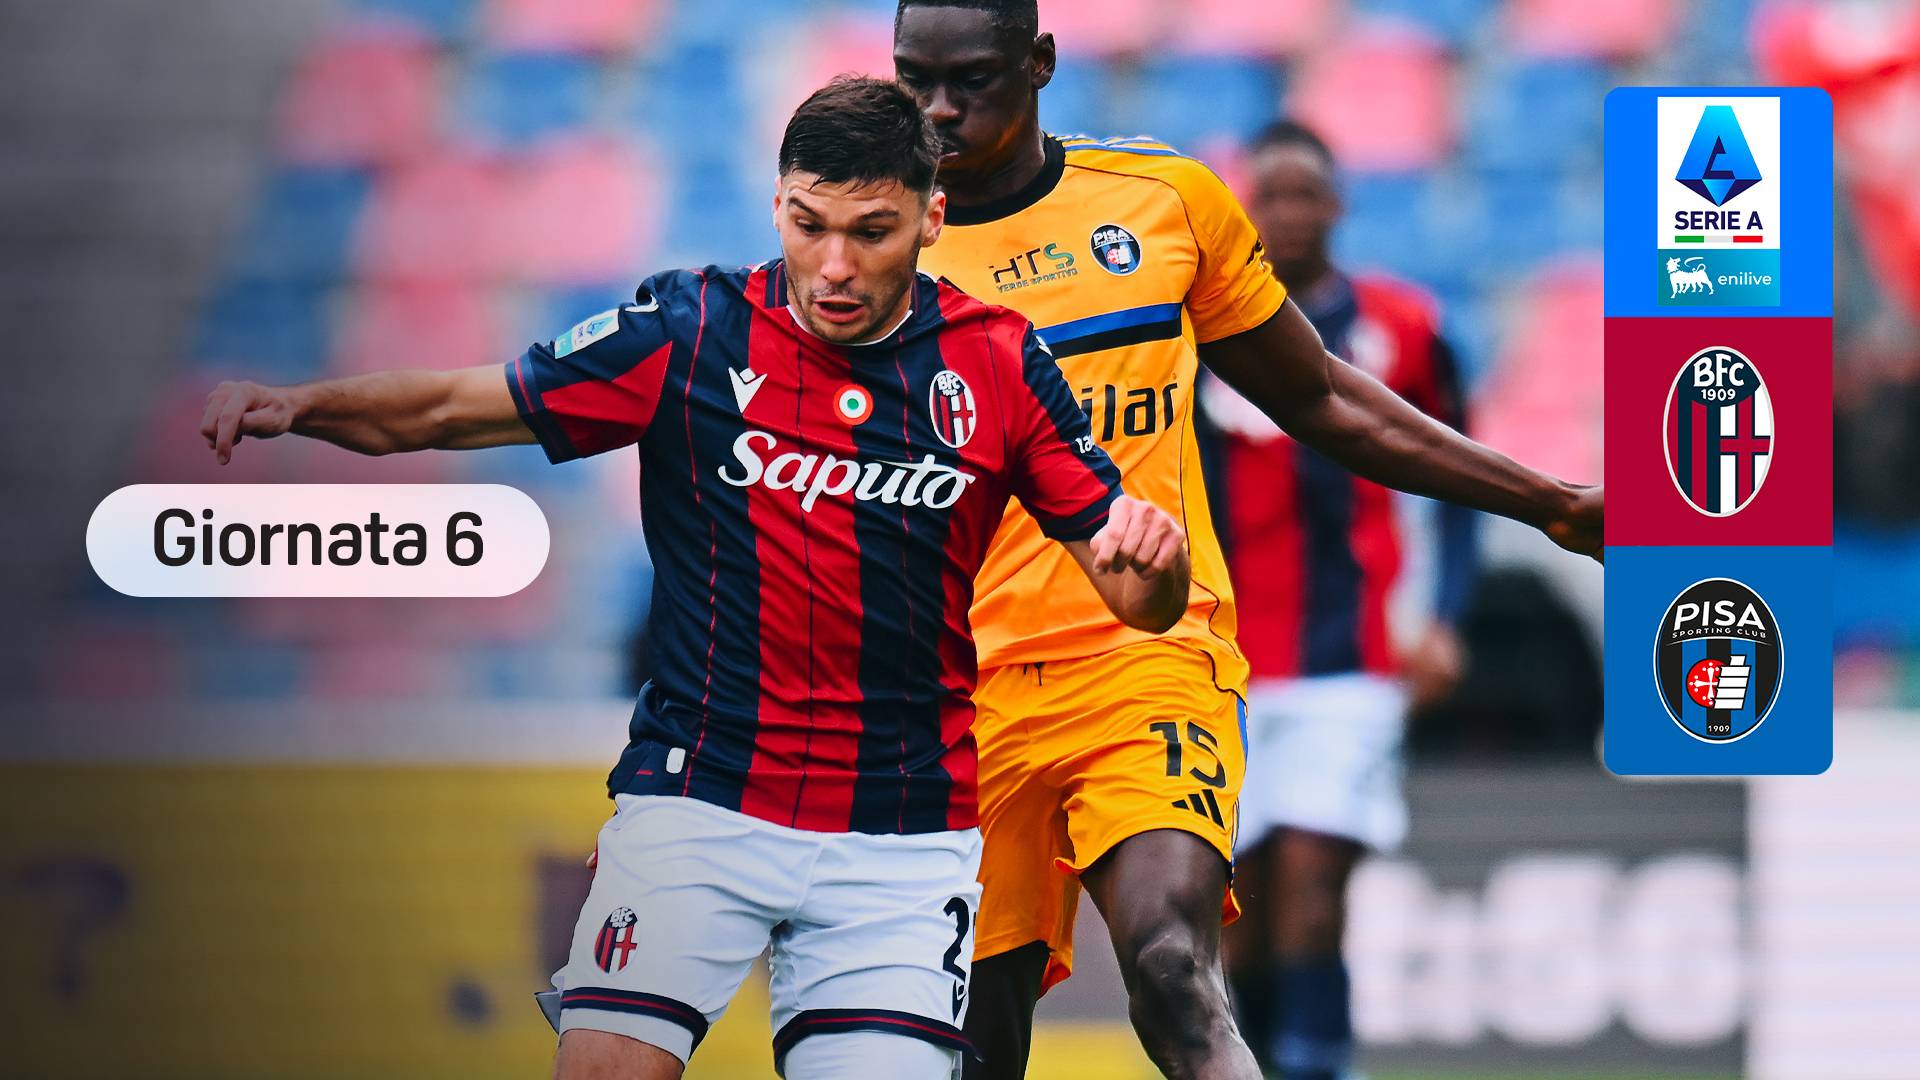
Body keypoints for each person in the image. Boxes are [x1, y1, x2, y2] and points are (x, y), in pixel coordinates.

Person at [197, 77, 1194, 1080]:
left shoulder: (999, 362)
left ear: (931, 219)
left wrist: (1155, 567)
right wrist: (302, 405)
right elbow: (452, 408)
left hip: (899, 835)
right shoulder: (691, 330)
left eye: (872, 232)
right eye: (809, 224)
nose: (835, 265)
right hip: (699, 802)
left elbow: (1135, 598)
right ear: (778, 205)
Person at [891, 4, 1604, 1078]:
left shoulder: (1159, 203)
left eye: (972, 80)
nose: (940, 109)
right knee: (975, 1046)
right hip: (958, 690)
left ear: (1039, 63)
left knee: (1174, 968)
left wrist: (1546, 500)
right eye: (917, 81)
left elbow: (1320, 394)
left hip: (1146, 661)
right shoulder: (876, 244)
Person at [1198, 119, 1478, 1080]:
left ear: (1339, 205)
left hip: (1347, 661)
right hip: (1214, 666)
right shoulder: (1189, 334)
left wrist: (1444, 618)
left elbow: (1460, 477)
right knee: (1238, 921)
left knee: (1316, 898)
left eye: (1305, 194)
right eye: (1270, 196)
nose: (1289, 213)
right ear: (1244, 211)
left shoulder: (1404, 327)